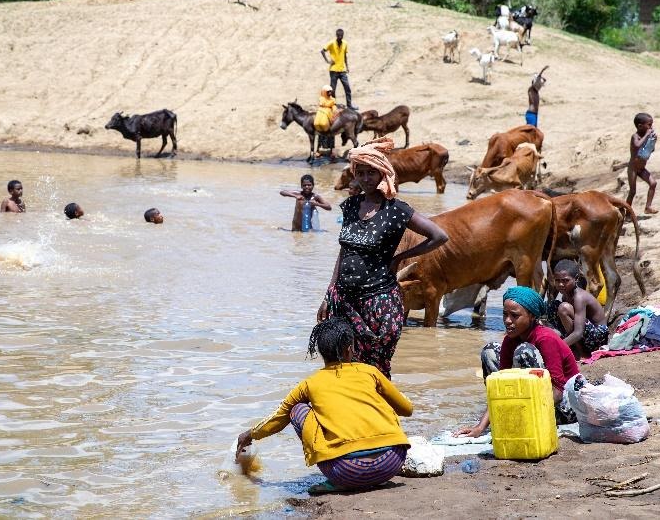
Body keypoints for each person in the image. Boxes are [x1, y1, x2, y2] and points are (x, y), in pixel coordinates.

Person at [317, 136, 448, 378]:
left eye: (371, 173)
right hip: (344, 299)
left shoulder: (396, 209)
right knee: (342, 367)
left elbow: (439, 236)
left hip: (379, 302)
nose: (366, 179)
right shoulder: (351, 205)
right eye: (361, 172)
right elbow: (345, 250)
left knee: (375, 369)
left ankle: (378, 410)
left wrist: (401, 257)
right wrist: (329, 293)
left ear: (382, 174)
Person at [235, 318, 413, 495]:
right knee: (382, 401)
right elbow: (407, 409)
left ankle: (339, 482)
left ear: (321, 352)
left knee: (296, 409)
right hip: (391, 462)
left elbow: (278, 418)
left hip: (346, 471)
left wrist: (250, 434)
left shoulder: (309, 384)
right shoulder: (370, 372)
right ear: (350, 349)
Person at [454, 286, 579, 438]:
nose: (507, 321)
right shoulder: (510, 339)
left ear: (532, 316)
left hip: (564, 405)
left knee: (524, 351)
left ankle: (523, 414)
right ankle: (515, 410)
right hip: (535, 401)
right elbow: (498, 387)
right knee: (490, 350)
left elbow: (558, 391)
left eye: (514, 316)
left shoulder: (545, 338)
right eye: (504, 314)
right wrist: (480, 428)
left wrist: (522, 418)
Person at [546, 260, 614, 359]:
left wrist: (557, 347)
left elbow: (578, 332)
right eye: (557, 280)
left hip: (596, 337)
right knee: (553, 307)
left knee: (563, 308)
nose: (560, 284)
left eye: (565, 280)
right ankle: (572, 347)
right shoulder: (566, 295)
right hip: (583, 333)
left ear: (576, 278)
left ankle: (580, 352)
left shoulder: (579, 297)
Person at [627, 112, 658, 214]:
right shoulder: (635, 136)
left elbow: (649, 151)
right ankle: (626, 213)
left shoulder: (646, 136)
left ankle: (648, 207)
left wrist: (652, 141)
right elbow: (637, 146)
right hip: (633, 169)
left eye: (651, 124)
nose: (651, 127)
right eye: (649, 125)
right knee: (632, 191)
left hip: (641, 168)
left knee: (653, 183)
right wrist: (647, 135)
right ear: (640, 126)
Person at [320, 29, 356, 110]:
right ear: (336, 35)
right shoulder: (331, 43)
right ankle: (333, 105)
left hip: (342, 70)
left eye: (341, 35)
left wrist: (347, 66)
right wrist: (328, 61)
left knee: (347, 88)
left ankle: (349, 105)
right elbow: (322, 51)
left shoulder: (345, 43)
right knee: (332, 90)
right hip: (333, 70)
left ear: (343, 35)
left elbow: (344, 56)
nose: (340, 37)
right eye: (339, 36)